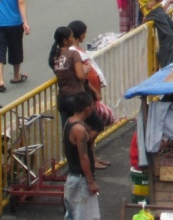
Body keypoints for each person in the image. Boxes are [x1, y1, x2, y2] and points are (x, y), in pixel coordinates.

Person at [62, 92, 101, 220]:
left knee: (73, 214)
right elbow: (83, 157)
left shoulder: (69, 122)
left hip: (73, 179)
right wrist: (90, 182)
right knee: (84, 215)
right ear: (87, 108)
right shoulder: (80, 130)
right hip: (81, 183)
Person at [51, 25, 90, 126]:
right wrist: (85, 70)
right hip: (75, 97)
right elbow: (80, 75)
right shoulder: (73, 54)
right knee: (93, 124)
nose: (73, 39)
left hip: (62, 98)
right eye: (71, 37)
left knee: (66, 128)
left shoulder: (54, 56)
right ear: (65, 41)